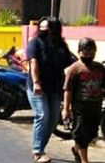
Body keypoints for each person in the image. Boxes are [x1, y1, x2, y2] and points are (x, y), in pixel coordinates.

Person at [26, 17, 75, 163]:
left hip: (54, 87)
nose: (44, 31)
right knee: (42, 115)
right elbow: (33, 63)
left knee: (53, 120)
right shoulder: (35, 43)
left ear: (54, 29)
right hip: (37, 87)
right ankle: (38, 151)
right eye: (41, 28)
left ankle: (41, 147)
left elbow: (72, 62)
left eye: (47, 28)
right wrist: (36, 83)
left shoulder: (61, 46)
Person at [62, 37, 104, 163]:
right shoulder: (74, 69)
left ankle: (76, 150)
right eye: (85, 53)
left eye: (91, 53)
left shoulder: (99, 68)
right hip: (80, 108)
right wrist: (66, 109)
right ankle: (84, 160)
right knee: (81, 135)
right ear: (79, 52)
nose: (88, 55)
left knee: (91, 134)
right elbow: (68, 90)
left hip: (96, 107)